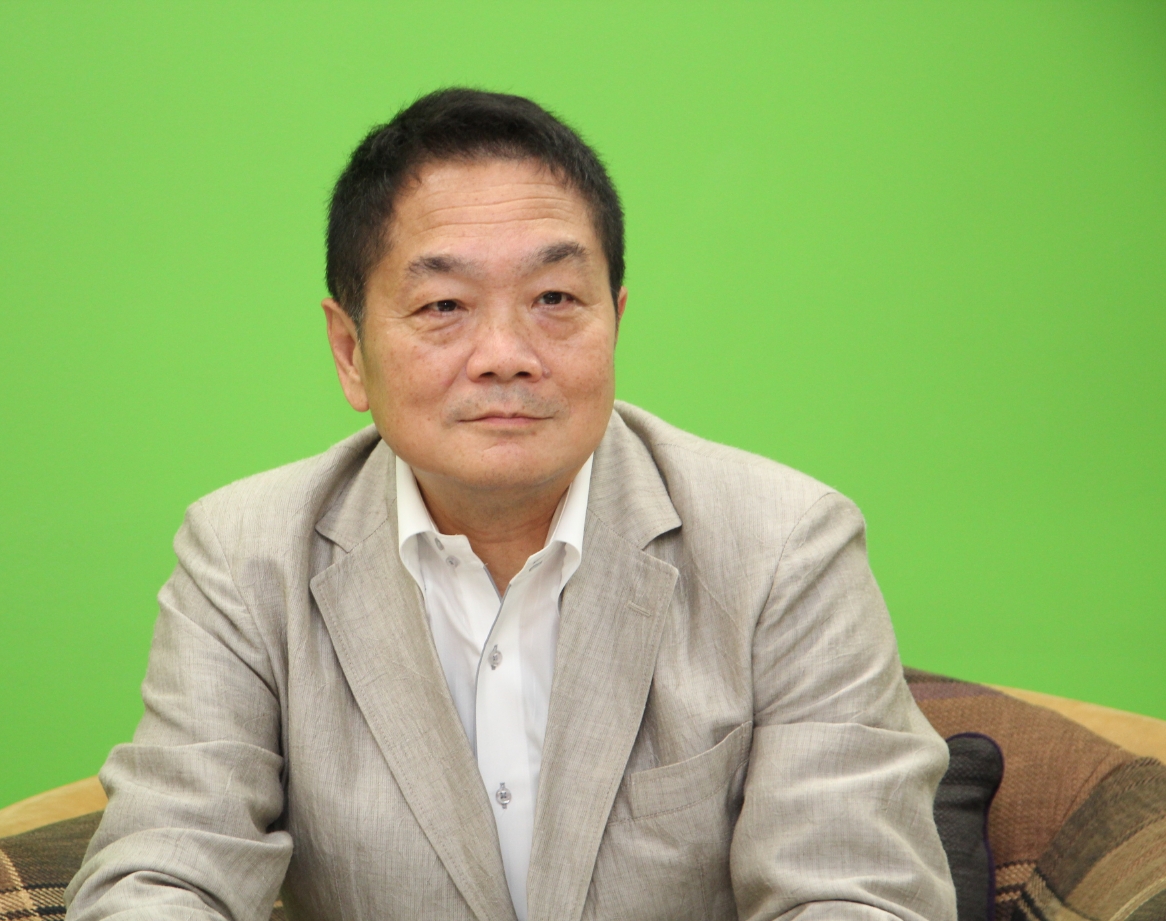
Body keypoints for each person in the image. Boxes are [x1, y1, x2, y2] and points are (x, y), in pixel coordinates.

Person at [66, 88, 957, 921]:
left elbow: (853, 890)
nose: (505, 354)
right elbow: (164, 870)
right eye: (444, 305)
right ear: (349, 351)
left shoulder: (785, 546)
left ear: (615, 319)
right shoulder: (244, 556)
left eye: (554, 299)